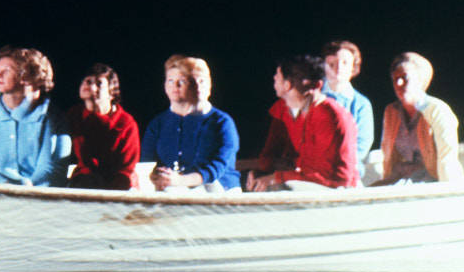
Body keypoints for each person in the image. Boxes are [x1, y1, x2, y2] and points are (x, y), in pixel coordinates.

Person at [245, 55, 358, 190]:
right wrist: (261, 172)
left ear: (288, 85)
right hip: (303, 182)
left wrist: (277, 177)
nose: (274, 78)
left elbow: (338, 178)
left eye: (278, 75)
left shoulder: (332, 117)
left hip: (334, 191)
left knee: (278, 188)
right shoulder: (283, 109)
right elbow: (270, 156)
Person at [0, 46, 68, 186]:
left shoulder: (52, 116)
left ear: (26, 77)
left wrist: (25, 191)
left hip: (41, 197)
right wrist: (6, 186)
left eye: (6, 71)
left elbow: (50, 170)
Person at [146, 56, 241, 191]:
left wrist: (181, 180)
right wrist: (158, 177)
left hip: (217, 189)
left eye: (182, 81)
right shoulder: (158, 124)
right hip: (172, 189)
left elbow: (218, 167)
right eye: (170, 81)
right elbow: (147, 162)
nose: (175, 86)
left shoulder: (222, 122)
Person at [379, 51, 462, 183]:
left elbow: (447, 159)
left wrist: (450, 193)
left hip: (432, 180)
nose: (399, 83)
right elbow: (388, 157)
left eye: (405, 77)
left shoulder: (438, 110)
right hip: (401, 179)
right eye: (396, 79)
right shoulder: (391, 111)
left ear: (420, 80)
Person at [65, 64, 140, 190]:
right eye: (88, 82)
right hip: (85, 181)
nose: (91, 87)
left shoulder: (126, 123)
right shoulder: (74, 115)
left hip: (119, 183)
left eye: (99, 84)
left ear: (112, 93)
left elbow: (126, 169)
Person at [320, 39, 376, 165]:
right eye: (332, 63)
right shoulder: (310, 97)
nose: (338, 68)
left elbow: (362, 145)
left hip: (346, 169)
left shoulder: (361, 104)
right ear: (323, 65)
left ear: (353, 68)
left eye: (345, 63)